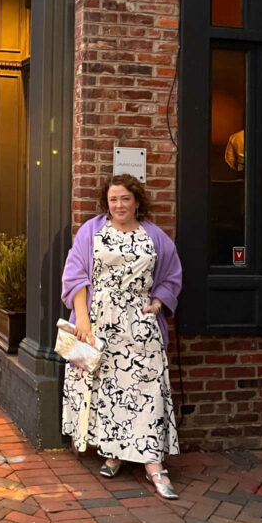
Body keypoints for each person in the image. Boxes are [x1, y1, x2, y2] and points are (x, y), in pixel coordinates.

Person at [61, 173, 183, 500]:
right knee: (108, 391)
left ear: (137, 201)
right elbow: (75, 277)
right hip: (99, 323)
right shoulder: (92, 231)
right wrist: (83, 320)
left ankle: (154, 464)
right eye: (113, 199)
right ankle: (113, 454)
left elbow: (171, 277)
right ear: (106, 202)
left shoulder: (155, 236)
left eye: (125, 199)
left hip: (140, 326)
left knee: (147, 390)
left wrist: (158, 303)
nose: (119, 205)